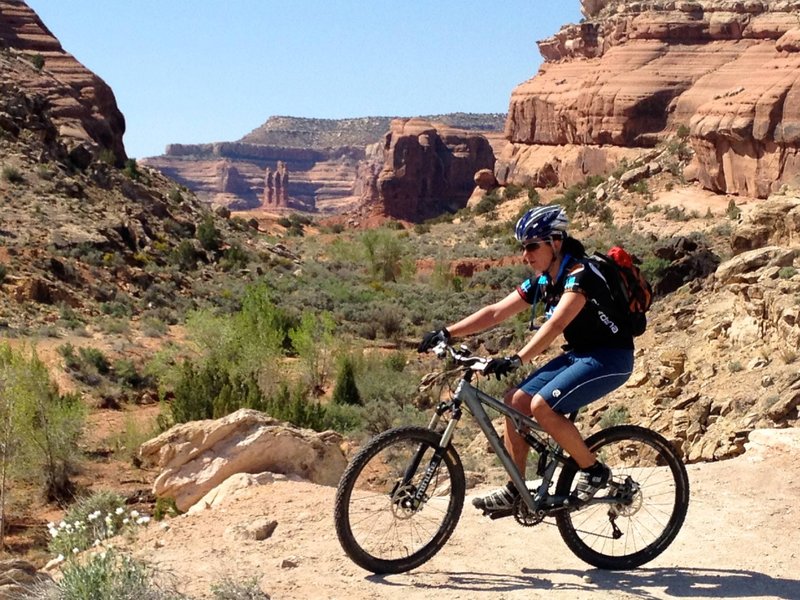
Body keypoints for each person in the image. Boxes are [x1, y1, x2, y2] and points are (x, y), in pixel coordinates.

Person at [417, 204, 634, 516]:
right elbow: (495, 311)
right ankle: (515, 489)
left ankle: (594, 471)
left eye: (532, 246)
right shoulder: (544, 280)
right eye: (523, 247)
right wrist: (447, 332)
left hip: (610, 358)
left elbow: (555, 325)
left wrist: (518, 359)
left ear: (555, 242)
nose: (525, 255)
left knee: (541, 406)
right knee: (515, 402)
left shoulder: (579, 275)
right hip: (579, 355)